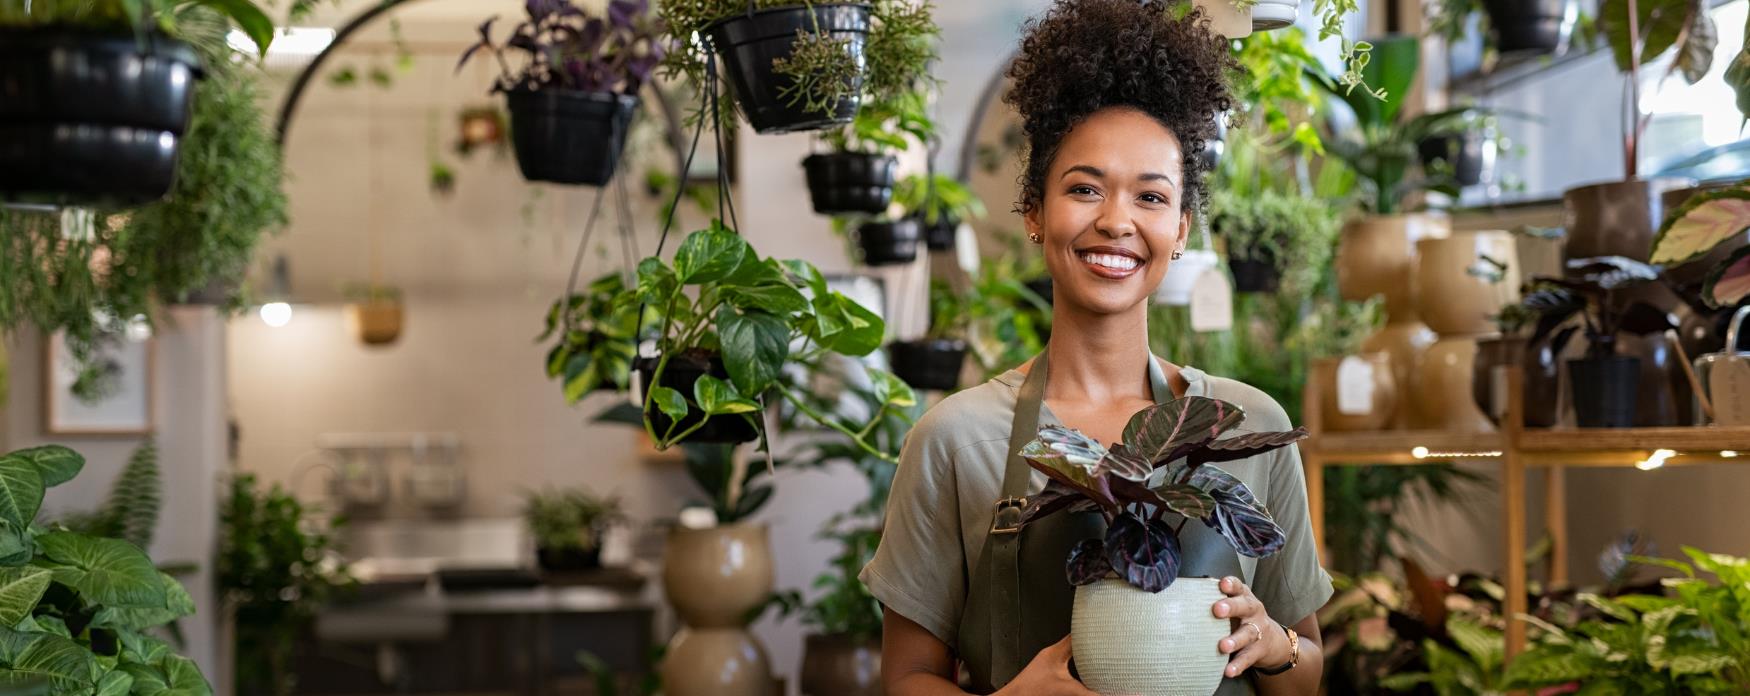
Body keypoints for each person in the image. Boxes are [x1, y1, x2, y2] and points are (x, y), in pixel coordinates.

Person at [859, 1, 1333, 694]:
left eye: (1150, 196)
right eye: (1084, 189)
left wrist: (1272, 642)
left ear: (1180, 229)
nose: (1116, 222)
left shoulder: (1250, 428)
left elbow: (1307, 673)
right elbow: (905, 681)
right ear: (1035, 213)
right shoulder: (957, 442)